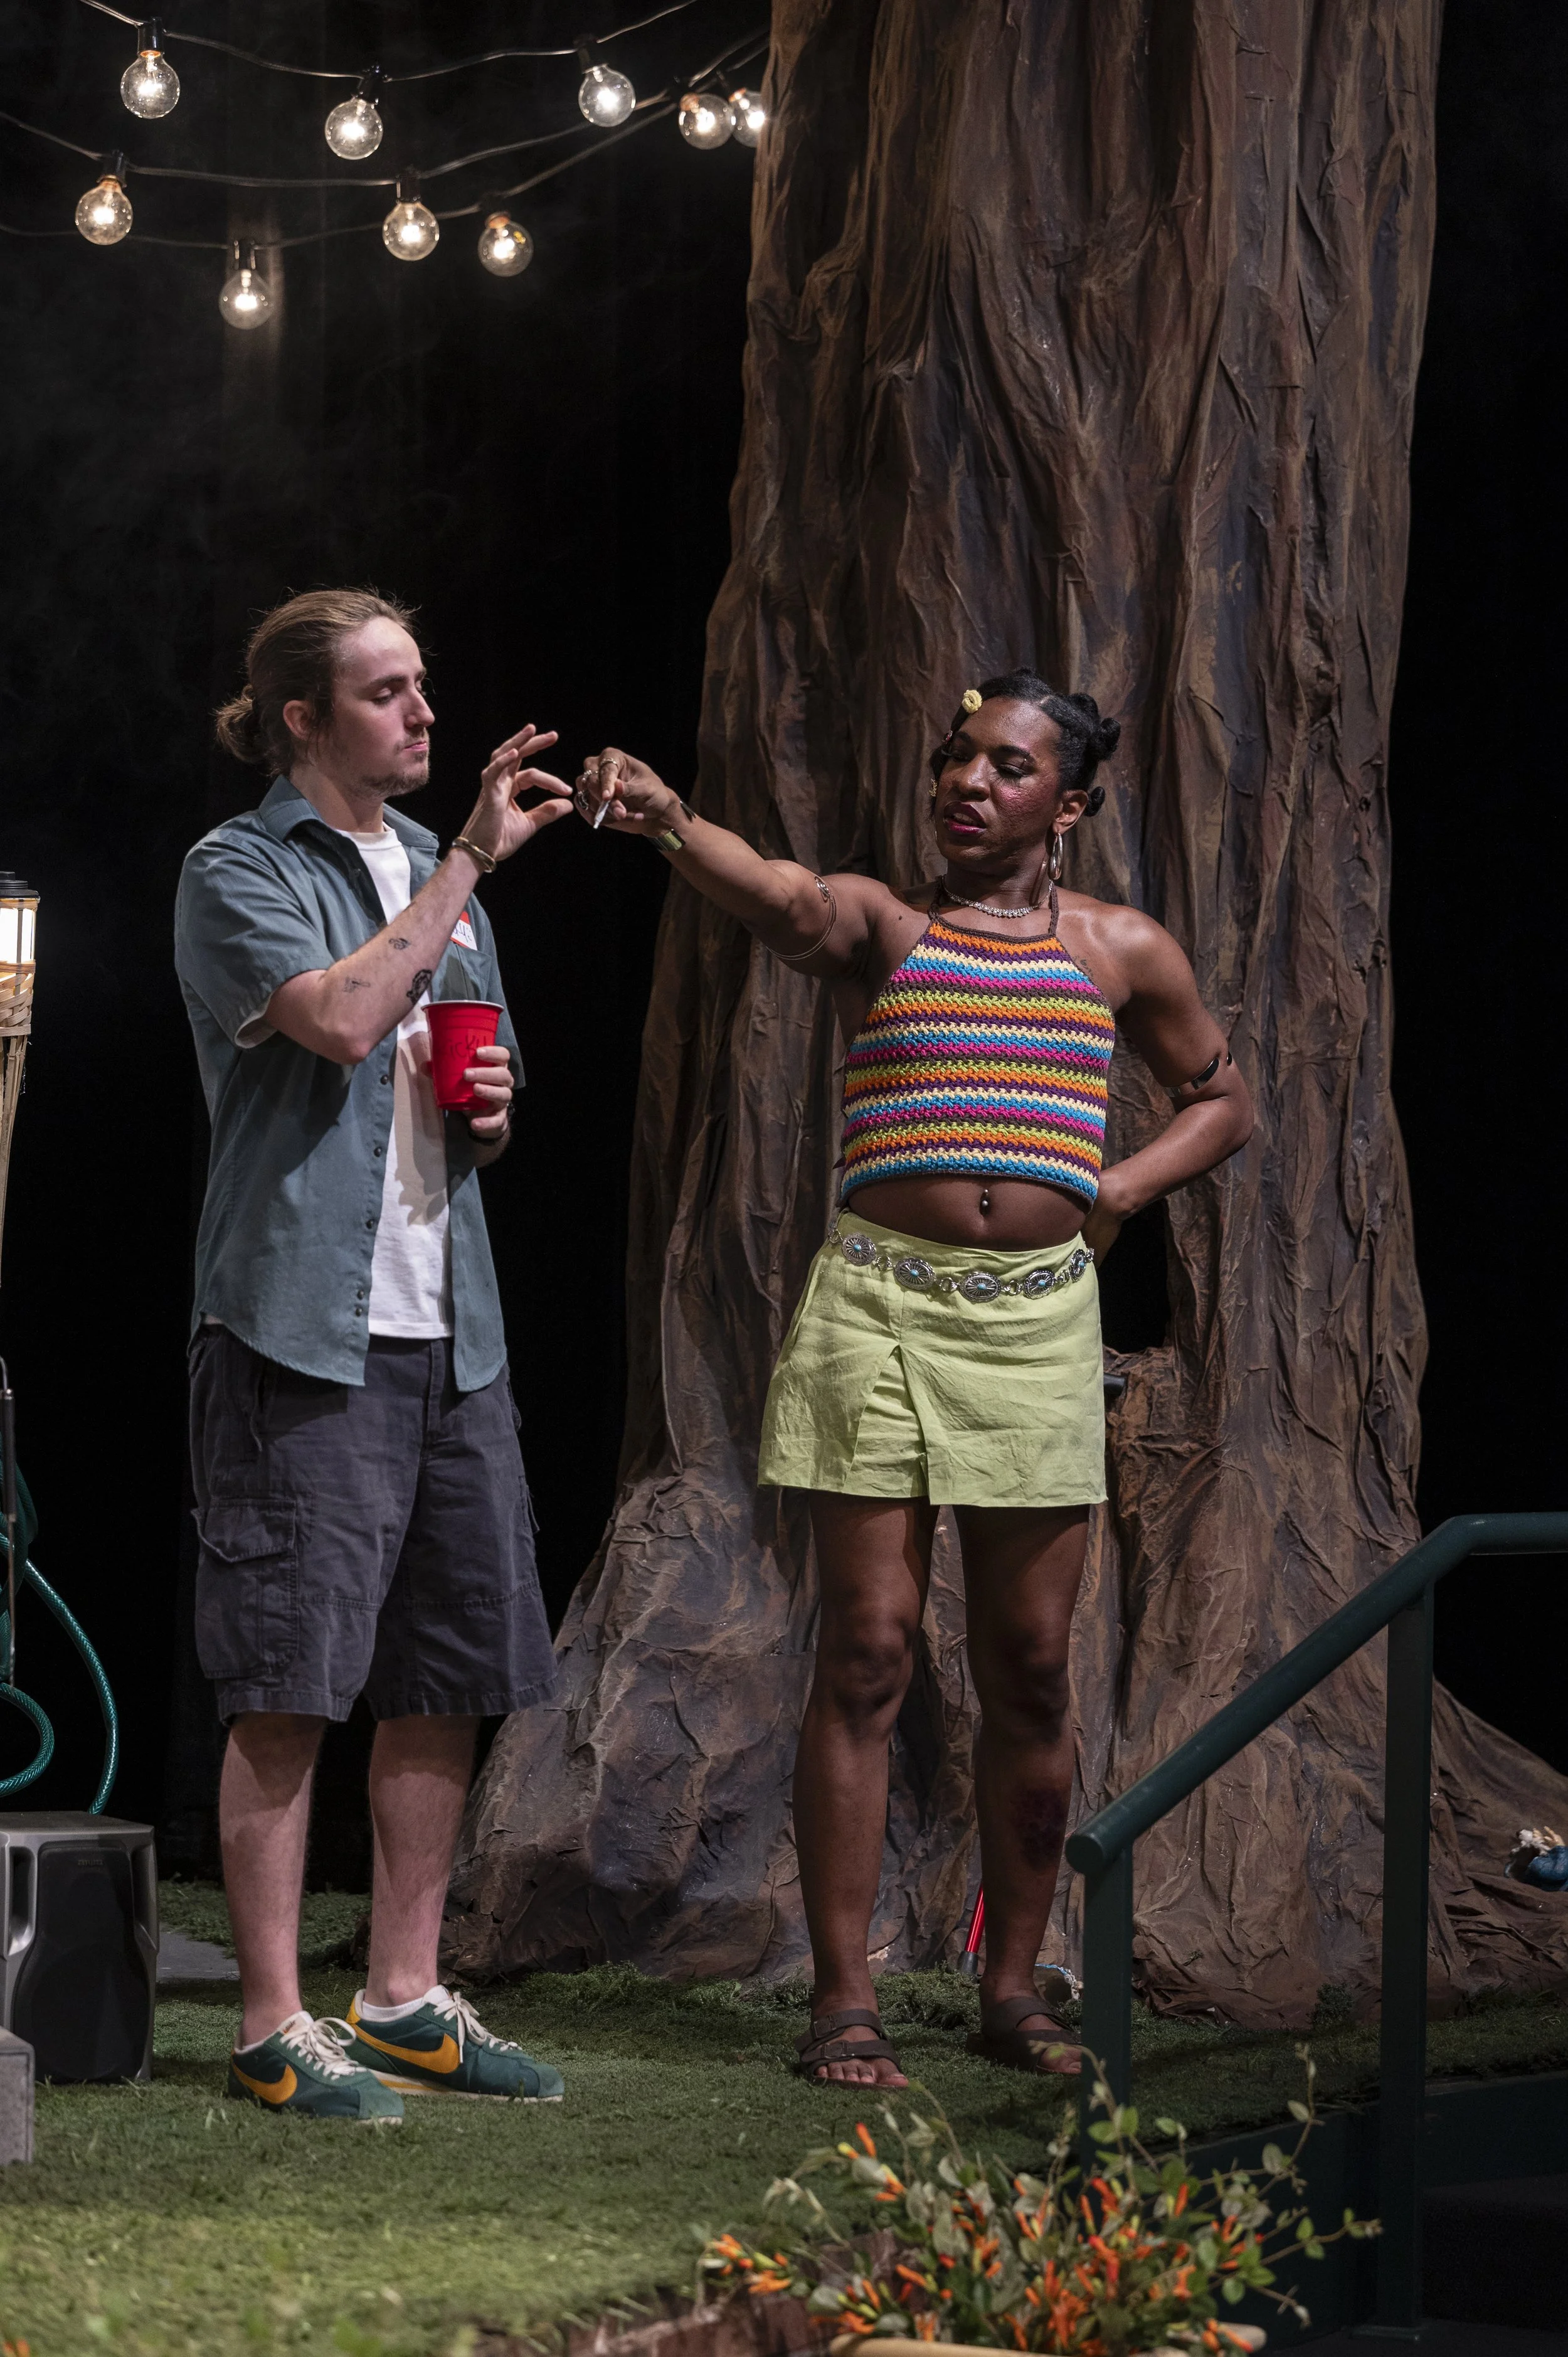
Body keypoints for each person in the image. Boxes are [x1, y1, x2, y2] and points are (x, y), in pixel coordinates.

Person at [573, 671, 1253, 2088]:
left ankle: (1013, 1990)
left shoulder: (1122, 949)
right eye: (953, 757)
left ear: (1065, 804)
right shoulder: (894, 925)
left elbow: (1221, 1098)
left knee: (1028, 1665)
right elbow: (782, 900)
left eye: (1004, 767)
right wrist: (667, 820)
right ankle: (842, 2002)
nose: (965, 782)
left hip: (1033, 1326)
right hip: (878, 1310)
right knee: (869, 1653)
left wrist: (1113, 1187)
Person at [175, 588, 575, 2120]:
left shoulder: (426, 871)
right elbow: (342, 1019)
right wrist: (468, 858)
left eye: (424, 684)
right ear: (302, 718)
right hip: (300, 1326)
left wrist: (495, 1103)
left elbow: (485, 1052)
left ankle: (403, 1994)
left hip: (449, 1328)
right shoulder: (238, 867)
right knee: (289, 1677)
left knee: (447, 1663)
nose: (421, 713)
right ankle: (272, 2021)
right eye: (386, 692)